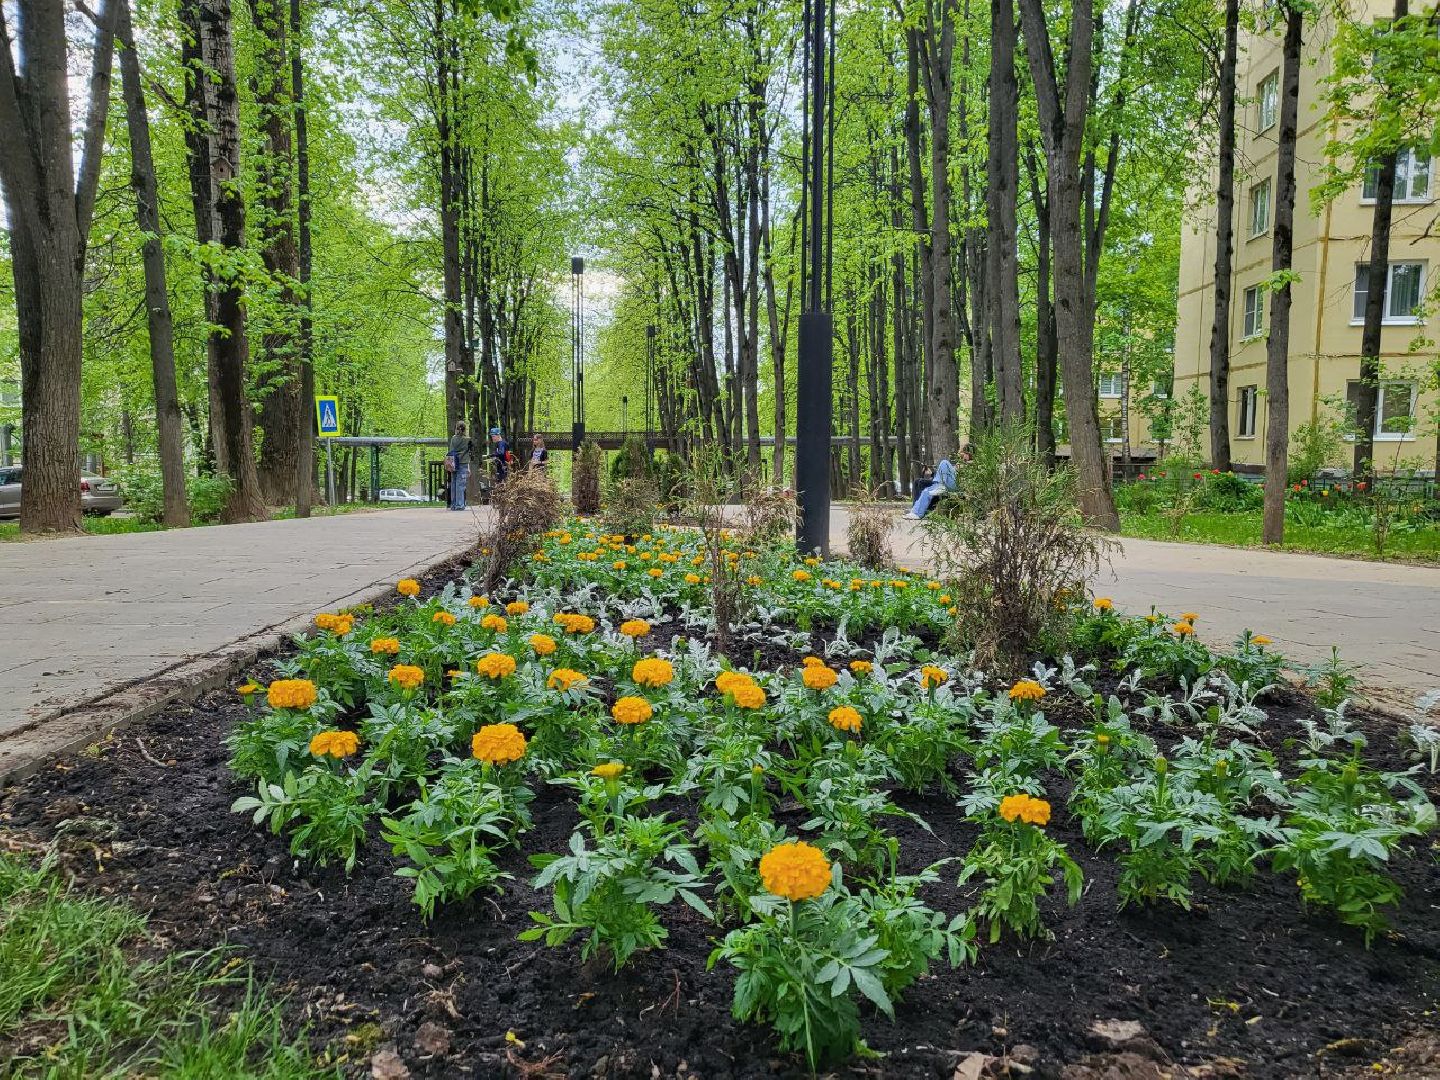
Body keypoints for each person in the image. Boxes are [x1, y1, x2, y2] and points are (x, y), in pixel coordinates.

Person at [904, 444, 972, 520]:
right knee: (925, 489)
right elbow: (947, 475)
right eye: (963, 453)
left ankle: (939, 486)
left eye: (965, 453)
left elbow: (962, 479)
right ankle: (915, 511)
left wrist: (962, 468)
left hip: (956, 486)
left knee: (944, 462)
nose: (963, 455)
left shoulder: (971, 464)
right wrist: (932, 474)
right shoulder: (960, 463)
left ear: (971, 454)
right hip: (947, 483)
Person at [446, 421, 471, 511]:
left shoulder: (453, 439)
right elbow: (469, 453)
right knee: (461, 484)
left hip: (453, 463)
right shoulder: (468, 440)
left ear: (456, 428)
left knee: (453, 483)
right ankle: (460, 505)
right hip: (463, 463)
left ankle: (453, 504)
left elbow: (451, 450)